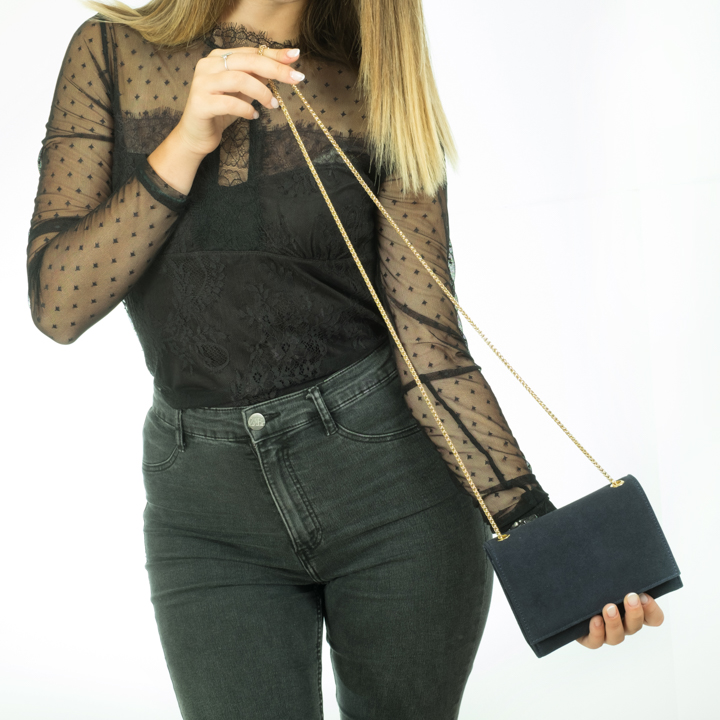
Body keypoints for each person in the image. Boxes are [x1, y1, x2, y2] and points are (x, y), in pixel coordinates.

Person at [26, 0, 665, 717]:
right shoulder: (111, 51)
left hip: (395, 493)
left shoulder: (378, 86)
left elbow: (429, 343)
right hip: (207, 512)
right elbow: (58, 305)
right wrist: (186, 139)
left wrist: (541, 536)